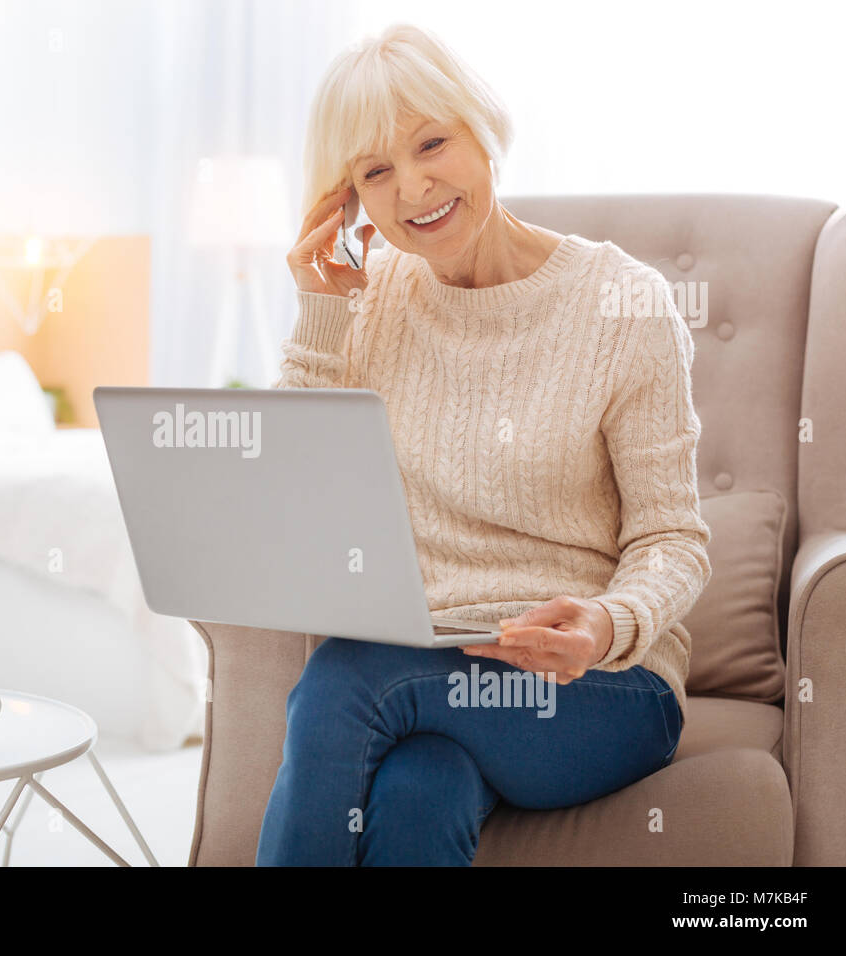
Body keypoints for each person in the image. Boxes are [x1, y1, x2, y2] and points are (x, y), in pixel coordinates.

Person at [256, 23, 711, 866]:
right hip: (430, 673)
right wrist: (321, 312)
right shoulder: (366, 299)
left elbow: (671, 538)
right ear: (346, 200)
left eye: (433, 143)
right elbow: (294, 498)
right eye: (375, 171)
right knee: (419, 793)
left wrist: (609, 623)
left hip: (599, 687)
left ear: (483, 130)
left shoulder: (624, 305)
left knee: (345, 680)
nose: (414, 186)